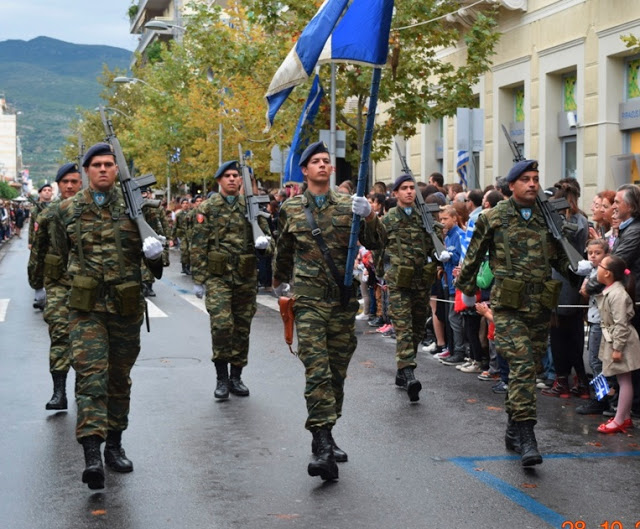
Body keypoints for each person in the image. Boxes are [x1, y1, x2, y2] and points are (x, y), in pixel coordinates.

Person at [456, 159, 586, 467]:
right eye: (525, 179)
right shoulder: (494, 217)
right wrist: (467, 287)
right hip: (508, 307)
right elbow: (474, 255)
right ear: (511, 186)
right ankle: (528, 435)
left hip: (540, 306)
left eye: (536, 179)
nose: (532, 184)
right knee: (524, 367)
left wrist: (581, 275)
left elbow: (559, 258)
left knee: (529, 370)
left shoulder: (547, 217)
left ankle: (514, 428)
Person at [272, 141, 382, 481]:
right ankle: (320, 444)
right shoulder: (290, 208)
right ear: (304, 170)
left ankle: (328, 431)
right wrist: (279, 285)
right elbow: (285, 250)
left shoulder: (350, 205)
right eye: (316, 162)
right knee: (316, 371)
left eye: (326, 161)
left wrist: (370, 216)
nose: (322, 165)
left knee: (336, 372)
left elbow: (377, 242)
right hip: (308, 302)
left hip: (341, 302)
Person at [58, 143, 164, 490]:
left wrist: (154, 254)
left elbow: (158, 268)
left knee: (119, 380)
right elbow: (58, 261)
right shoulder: (67, 211)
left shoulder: (139, 210)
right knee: (91, 378)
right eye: (97, 165)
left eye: (110, 164)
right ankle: (92, 453)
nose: (104, 169)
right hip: (86, 310)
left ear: (118, 171)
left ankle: (114, 445)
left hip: (125, 308)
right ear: (86, 170)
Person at [190, 161, 271, 401]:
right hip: (218, 278)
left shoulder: (251, 207)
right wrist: (199, 279)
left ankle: (236, 376)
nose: (233, 179)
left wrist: (264, 246)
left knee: (242, 328)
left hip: (245, 277)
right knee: (222, 325)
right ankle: (221, 377)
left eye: (236, 175)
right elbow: (198, 245)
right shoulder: (207, 208)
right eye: (228, 176)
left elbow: (268, 240)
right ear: (219, 181)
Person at [378, 174, 448, 401]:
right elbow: (379, 248)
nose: (409, 191)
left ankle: (401, 371)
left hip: (420, 282)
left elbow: (433, 248)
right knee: (404, 327)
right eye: (404, 188)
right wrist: (380, 275)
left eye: (412, 188)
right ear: (396, 193)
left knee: (417, 328)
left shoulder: (425, 219)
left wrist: (440, 253)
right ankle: (408, 373)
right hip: (398, 283)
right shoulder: (388, 221)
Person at [27, 162, 83, 410]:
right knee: (60, 335)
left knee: (86, 341)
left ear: (81, 183)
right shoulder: (48, 214)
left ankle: (84, 392)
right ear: (58, 185)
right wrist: (37, 284)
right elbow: (38, 251)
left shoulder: (90, 210)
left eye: (74, 181)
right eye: (65, 182)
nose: (70, 185)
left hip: (87, 285)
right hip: (58, 283)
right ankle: (59, 392)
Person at [594, 254, 640, 433]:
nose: (598, 267)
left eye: (601, 266)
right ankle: (624, 417)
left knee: (624, 380)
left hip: (622, 341)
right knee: (623, 379)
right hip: (615, 339)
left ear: (608, 274)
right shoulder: (613, 291)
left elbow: (621, 324)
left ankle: (620, 419)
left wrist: (617, 348)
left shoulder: (618, 294)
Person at [611, 183, 640, 418]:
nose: (613, 207)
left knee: (630, 357)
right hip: (629, 296)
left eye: (617, 202)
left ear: (630, 206)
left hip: (634, 299)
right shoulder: (625, 228)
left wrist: (590, 284)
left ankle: (630, 408)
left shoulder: (635, 231)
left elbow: (616, 263)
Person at [576, 238, 612, 415]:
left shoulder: (602, 273)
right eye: (590, 253)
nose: (593, 257)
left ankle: (602, 398)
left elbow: (588, 290)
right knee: (595, 361)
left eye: (598, 253)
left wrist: (586, 287)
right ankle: (603, 397)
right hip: (593, 318)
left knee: (596, 362)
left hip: (600, 320)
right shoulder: (591, 270)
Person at [28, 183, 53, 248]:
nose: (47, 192)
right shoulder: (35, 209)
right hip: (38, 241)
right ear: (40, 193)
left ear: (52, 193)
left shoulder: (56, 207)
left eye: (49, 190)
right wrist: (30, 242)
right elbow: (32, 226)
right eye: (44, 190)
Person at [172, 198, 192, 274]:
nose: (185, 205)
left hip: (190, 235)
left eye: (187, 203)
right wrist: (172, 238)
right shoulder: (178, 215)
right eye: (184, 203)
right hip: (182, 235)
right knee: (184, 250)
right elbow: (175, 226)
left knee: (190, 250)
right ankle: (184, 267)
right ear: (181, 204)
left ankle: (188, 266)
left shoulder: (191, 213)